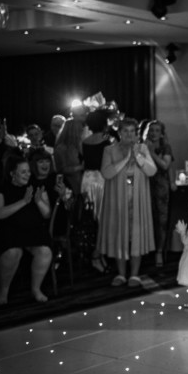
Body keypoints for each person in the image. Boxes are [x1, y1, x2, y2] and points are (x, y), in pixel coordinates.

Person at [98, 117, 157, 287]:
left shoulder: (142, 148)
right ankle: (121, 274)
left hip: (138, 198)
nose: (129, 135)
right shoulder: (109, 150)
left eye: (132, 131)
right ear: (119, 132)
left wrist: (137, 156)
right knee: (119, 233)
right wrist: (125, 160)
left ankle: (134, 274)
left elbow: (151, 171)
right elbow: (106, 173)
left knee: (136, 234)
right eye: (125, 131)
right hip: (117, 198)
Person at [0, 154, 53, 305]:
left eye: (28, 171)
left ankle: (36, 289)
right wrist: (24, 201)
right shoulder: (0, 187)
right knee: (13, 252)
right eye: (23, 172)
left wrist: (38, 201)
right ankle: (3, 291)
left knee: (45, 251)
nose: (28, 175)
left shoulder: (35, 185)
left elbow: (47, 214)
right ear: (12, 173)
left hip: (33, 229)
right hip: (9, 229)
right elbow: (0, 213)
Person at [81, 109, 112, 272]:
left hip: (86, 180)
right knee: (103, 221)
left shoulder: (85, 140)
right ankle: (97, 255)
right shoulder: (106, 141)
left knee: (94, 220)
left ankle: (99, 254)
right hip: (101, 179)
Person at [143, 120, 174, 268]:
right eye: (151, 130)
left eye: (156, 130)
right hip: (144, 185)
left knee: (161, 220)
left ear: (161, 133)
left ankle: (159, 252)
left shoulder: (165, 147)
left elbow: (165, 165)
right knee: (146, 218)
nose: (153, 133)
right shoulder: (141, 146)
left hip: (161, 187)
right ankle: (145, 250)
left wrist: (151, 153)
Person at [54, 115, 85, 196]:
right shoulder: (61, 148)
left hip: (82, 182)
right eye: (80, 130)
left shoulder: (79, 145)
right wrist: (80, 167)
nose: (82, 131)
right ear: (73, 131)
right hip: (71, 185)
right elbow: (62, 169)